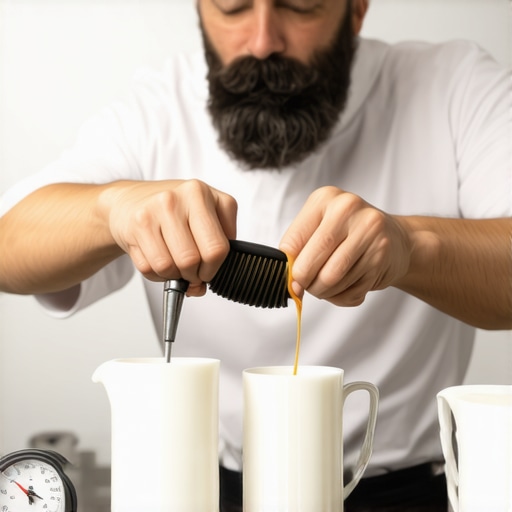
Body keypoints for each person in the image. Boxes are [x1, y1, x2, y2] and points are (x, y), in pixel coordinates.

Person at [0, 0, 511, 510]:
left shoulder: (454, 87)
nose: (263, 39)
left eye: (301, 6)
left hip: (408, 495)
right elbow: (8, 243)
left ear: (356, 9)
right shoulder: (158, 109)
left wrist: (411, 246)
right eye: (232, 7)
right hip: (213, 491)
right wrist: (110, 208)